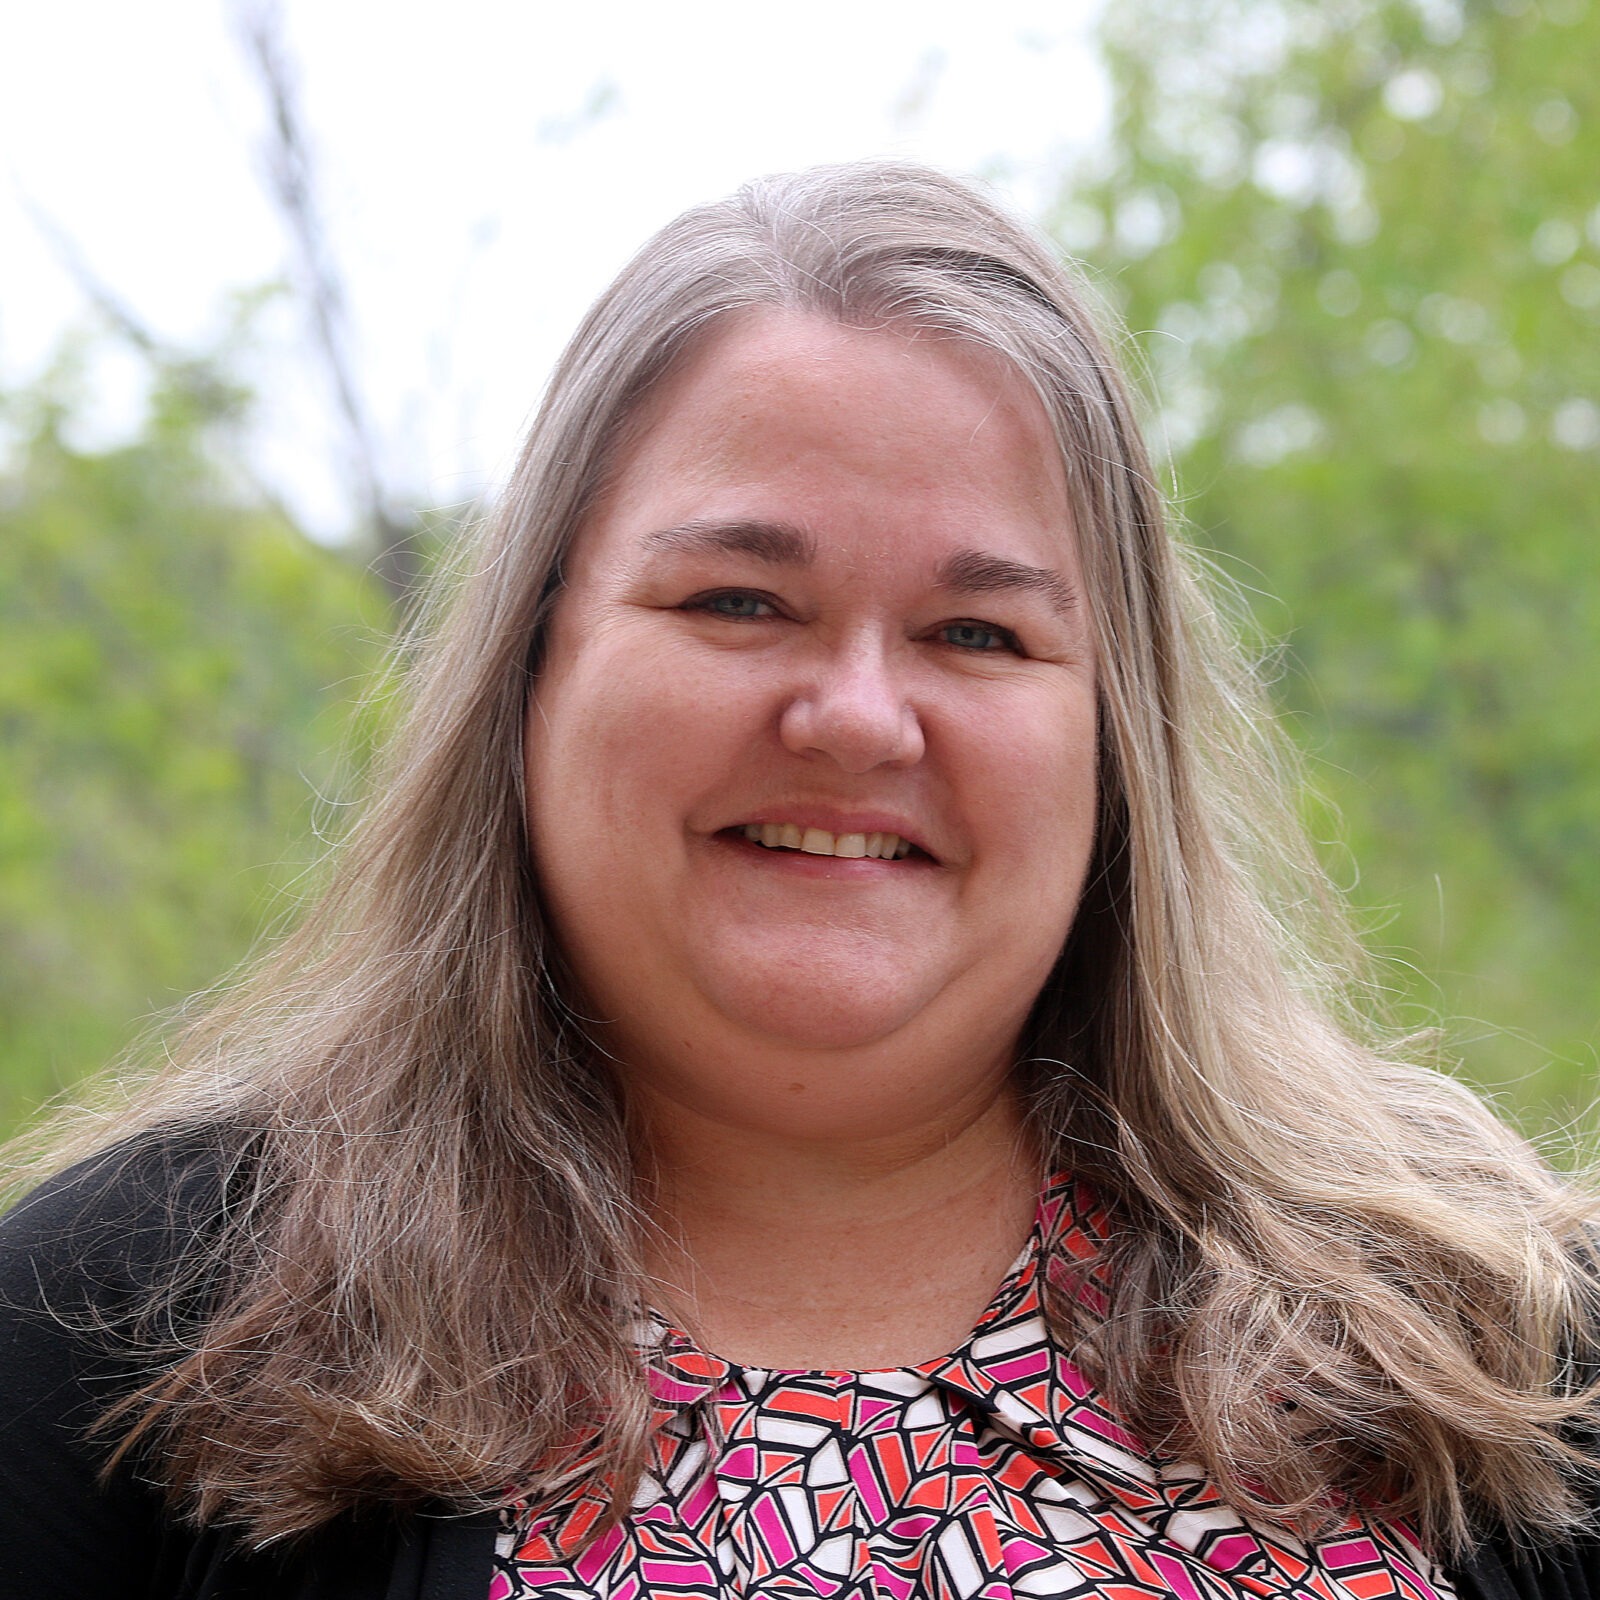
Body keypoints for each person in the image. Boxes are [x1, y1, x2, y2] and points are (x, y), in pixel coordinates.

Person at [0, 160, 1595, 1600]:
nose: (853, 715)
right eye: (739, 600)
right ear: (534, 665)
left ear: (1118, 739)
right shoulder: (122, 1347)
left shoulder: (1504, 1357)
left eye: (979, 633)